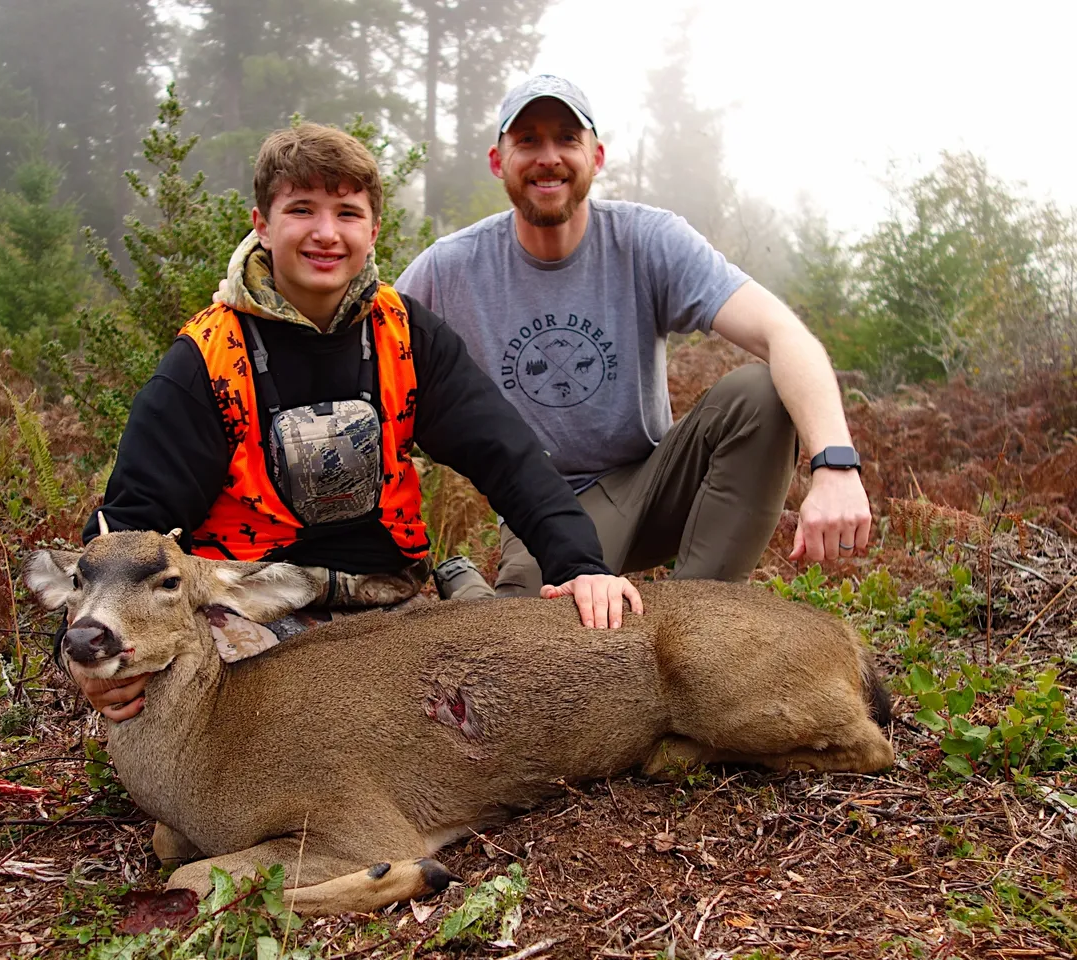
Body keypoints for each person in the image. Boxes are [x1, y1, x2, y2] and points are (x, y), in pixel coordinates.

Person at [75, 121, 640, 721]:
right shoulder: (207, 359)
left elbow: (509, 457)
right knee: (279, 730)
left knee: (501, 707)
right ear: (263, 224)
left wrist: (580, 565)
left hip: (387, 598)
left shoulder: (407, 335)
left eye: (347, 213)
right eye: (301, 210)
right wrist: (93, 648)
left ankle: (466, 600)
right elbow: (127, 528)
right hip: (248, 608)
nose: (326, 233)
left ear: (373, 230)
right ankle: (463, 603)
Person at [394, 75, 873, 599]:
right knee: (526, 652)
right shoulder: (448, 270)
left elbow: (784, 333)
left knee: (760, 394)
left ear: (596, 157)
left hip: (655, 484)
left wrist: (835, 464)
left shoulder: (647, 240)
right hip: (540, 510)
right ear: (497, 160)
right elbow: (373, 373)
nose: (548, 156)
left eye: (567, 138)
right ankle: (471, 591)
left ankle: (696, 621)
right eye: (527, 139)